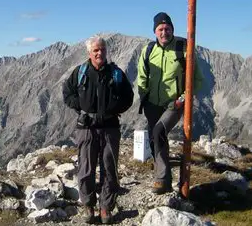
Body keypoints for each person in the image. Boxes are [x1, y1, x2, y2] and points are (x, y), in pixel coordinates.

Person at [63, 35, 134, 224]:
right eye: (96, 50)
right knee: (86, 168)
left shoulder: (116, 73)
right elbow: (67, 92)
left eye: (102, 49)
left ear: (106, 51)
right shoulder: (80, 72)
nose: (99, 53)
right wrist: (79, 107)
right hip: (86, 127)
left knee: (109, 168)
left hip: (110, 126)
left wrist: (114, 109)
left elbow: (129, 96)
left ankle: (105, 207)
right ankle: (88, 206)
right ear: (89, 53)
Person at [137, 12, 204, 194]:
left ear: (173, 29)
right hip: (152, 103)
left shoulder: (183, 47)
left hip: (173, 104)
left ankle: (161, 179)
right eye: (160, 29)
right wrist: (144, 97)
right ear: (155, 31)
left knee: (158, 131)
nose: (164, 32)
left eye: (167, 28)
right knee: (155, 138)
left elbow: (197, 80)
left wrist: (182, 99)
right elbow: (142, 76)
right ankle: (164, 178)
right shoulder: (148, 50)